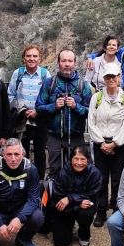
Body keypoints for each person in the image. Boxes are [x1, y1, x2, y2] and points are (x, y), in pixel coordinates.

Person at [86, 64, 124, 226]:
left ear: (119, 77)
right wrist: (101, 142)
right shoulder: (97, 98)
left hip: (120, 145)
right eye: (108, 77)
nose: (111, 79)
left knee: (118, 179)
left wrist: (114, 143)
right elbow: (91, 122)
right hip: (100, 143)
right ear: (104, 79)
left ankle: (116, 209)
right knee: (101, 178)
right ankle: (101, 211)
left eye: (114, 76)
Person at [34, 48, 93, 180]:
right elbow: (38, 107)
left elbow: (91, 111)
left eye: (70, 61)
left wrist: (76, 106)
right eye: (64, 61)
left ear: (75, 63)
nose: (67, 64)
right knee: (55, 170)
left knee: (78, 169)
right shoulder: (49, 83)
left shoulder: (83, 85)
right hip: (54, 136)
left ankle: (75, 193)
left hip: (76, 136)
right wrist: (54, 106)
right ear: (58, 63)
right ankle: (54, 193)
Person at [0, 139, 44, 246]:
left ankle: (23, 239)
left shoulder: (31, 169)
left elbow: (34, 199)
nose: (13, 159)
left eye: (16, 154)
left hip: (19, 209)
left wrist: (20, 218)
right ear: (3, 155)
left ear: (23, 154)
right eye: (9, 154)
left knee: (38, 217)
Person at [47, 145, 103, 246]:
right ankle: (69, 226)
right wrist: (77, 203)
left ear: (88, 160)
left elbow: (92, 195)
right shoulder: (63, 173)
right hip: (66, 209)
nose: (79, 163)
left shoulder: (95, 173)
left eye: (82, 159)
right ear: (71, 159)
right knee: (61, 242)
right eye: (76, 159)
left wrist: (70, 199)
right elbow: (58, 198)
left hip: (84, 207)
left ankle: (84, 234)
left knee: (86, 210)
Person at [7, 44, 50, 173]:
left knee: (40, 153)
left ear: (39, 59)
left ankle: (39, 180)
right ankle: (21, 178)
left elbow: (49, 97)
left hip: (40, 118)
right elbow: (10, 95)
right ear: (24, 58)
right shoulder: (18, 73)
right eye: (29, 56)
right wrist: (22, 110)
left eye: (35, 56)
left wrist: (37, 111)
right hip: (21, 119)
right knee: (21, 150)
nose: (32, 58)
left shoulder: (45, 74)